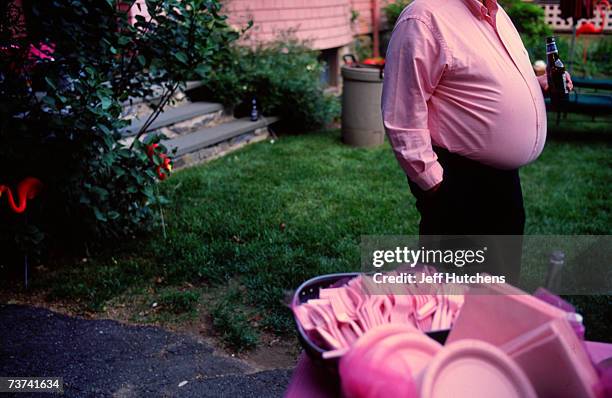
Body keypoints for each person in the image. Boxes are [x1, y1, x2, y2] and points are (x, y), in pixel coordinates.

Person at [381, 0, 572, 281]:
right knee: (454, 290)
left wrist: (538, 83)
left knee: (499, 281)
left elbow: (483, 76)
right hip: (457, 178)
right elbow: (402, 114)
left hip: (502, 179)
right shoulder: (423, 17)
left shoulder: (496, 12)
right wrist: (435, 185)